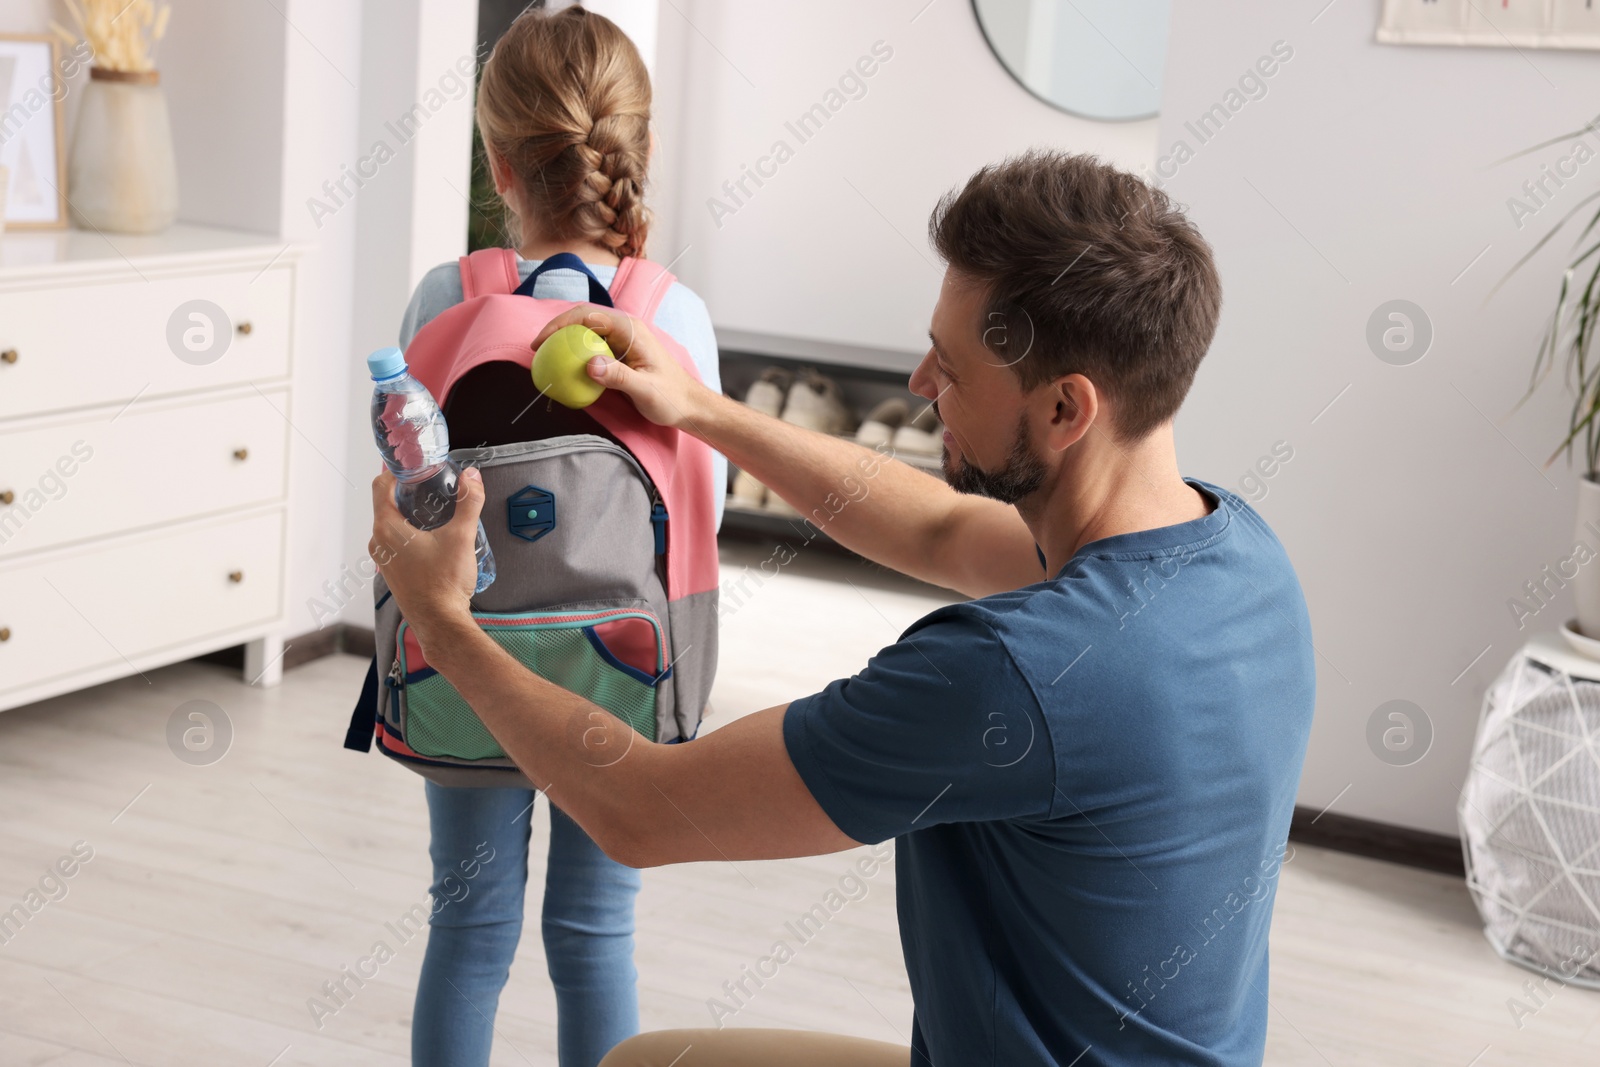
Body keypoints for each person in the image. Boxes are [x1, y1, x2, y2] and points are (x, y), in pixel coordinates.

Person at [370, 150, 1317, 1066]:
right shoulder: (1237, 555)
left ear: (1068, 409)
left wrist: (442, 623)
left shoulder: (1008, 674)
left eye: (949, 369)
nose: (918, 385)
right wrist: (698, 408)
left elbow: (642, 810)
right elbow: (942, 530)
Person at [395, 8, 723, 1067]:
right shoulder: (677, 316)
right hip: (622, 674)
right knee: (594, 933)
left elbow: (409, 483)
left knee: (467, 931)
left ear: (495, 161)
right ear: (642, 148)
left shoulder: (443, 298)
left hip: (467, 662)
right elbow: (702, 506)